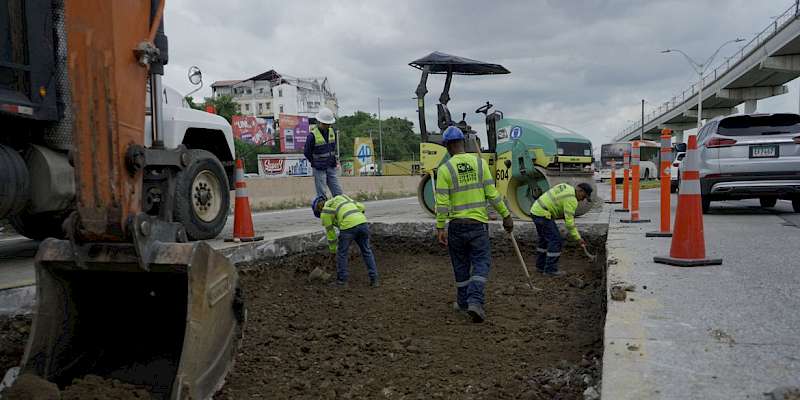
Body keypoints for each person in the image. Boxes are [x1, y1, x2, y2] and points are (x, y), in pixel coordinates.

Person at [435, 126, 513, 323]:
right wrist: (506, 215)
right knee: (481, 263)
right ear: (463, 143)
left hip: (456, 226)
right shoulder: (479, 164)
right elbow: (492, 194)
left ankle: (463, 302)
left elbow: (442, 202)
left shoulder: (445, 169)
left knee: (460, 265)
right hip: (477, 225)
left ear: (447, 147)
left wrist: (440, 227)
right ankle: (475, 301)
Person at [312, 194, 379, 288]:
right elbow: (361, 207)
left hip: (348, 227)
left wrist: (333, 250)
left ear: (318, 209)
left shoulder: (325, 212)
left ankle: (342, 282)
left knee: (342, 254)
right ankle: (374, 280)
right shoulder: (342, 197)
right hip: (363, 223)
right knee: (366, 251)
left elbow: (331, 234)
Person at [530, 182, 593, 277]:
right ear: (580, 190)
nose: (583, 199)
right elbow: (569, 223)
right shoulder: (571, 199)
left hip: (535, 210)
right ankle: (550, 270)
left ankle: (540, 266)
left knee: (544, 239)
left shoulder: (566, 186)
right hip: (543, 214)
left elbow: (556, 200)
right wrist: (578, 238)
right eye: (584, 196)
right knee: (556, 240)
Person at [304, 107, 343, 198]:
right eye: (326, 124)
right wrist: (314, 162)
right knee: (321, 195)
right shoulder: (312, 136)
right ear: (320, 122)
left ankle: (338, 210)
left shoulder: (332, 132)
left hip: (331, 166)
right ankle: (321, 211)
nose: (328, 126)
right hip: (319, 168)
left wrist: (334, 160)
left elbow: (333, 148)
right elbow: (307, 152)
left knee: (338, 193)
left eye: (329, 124)